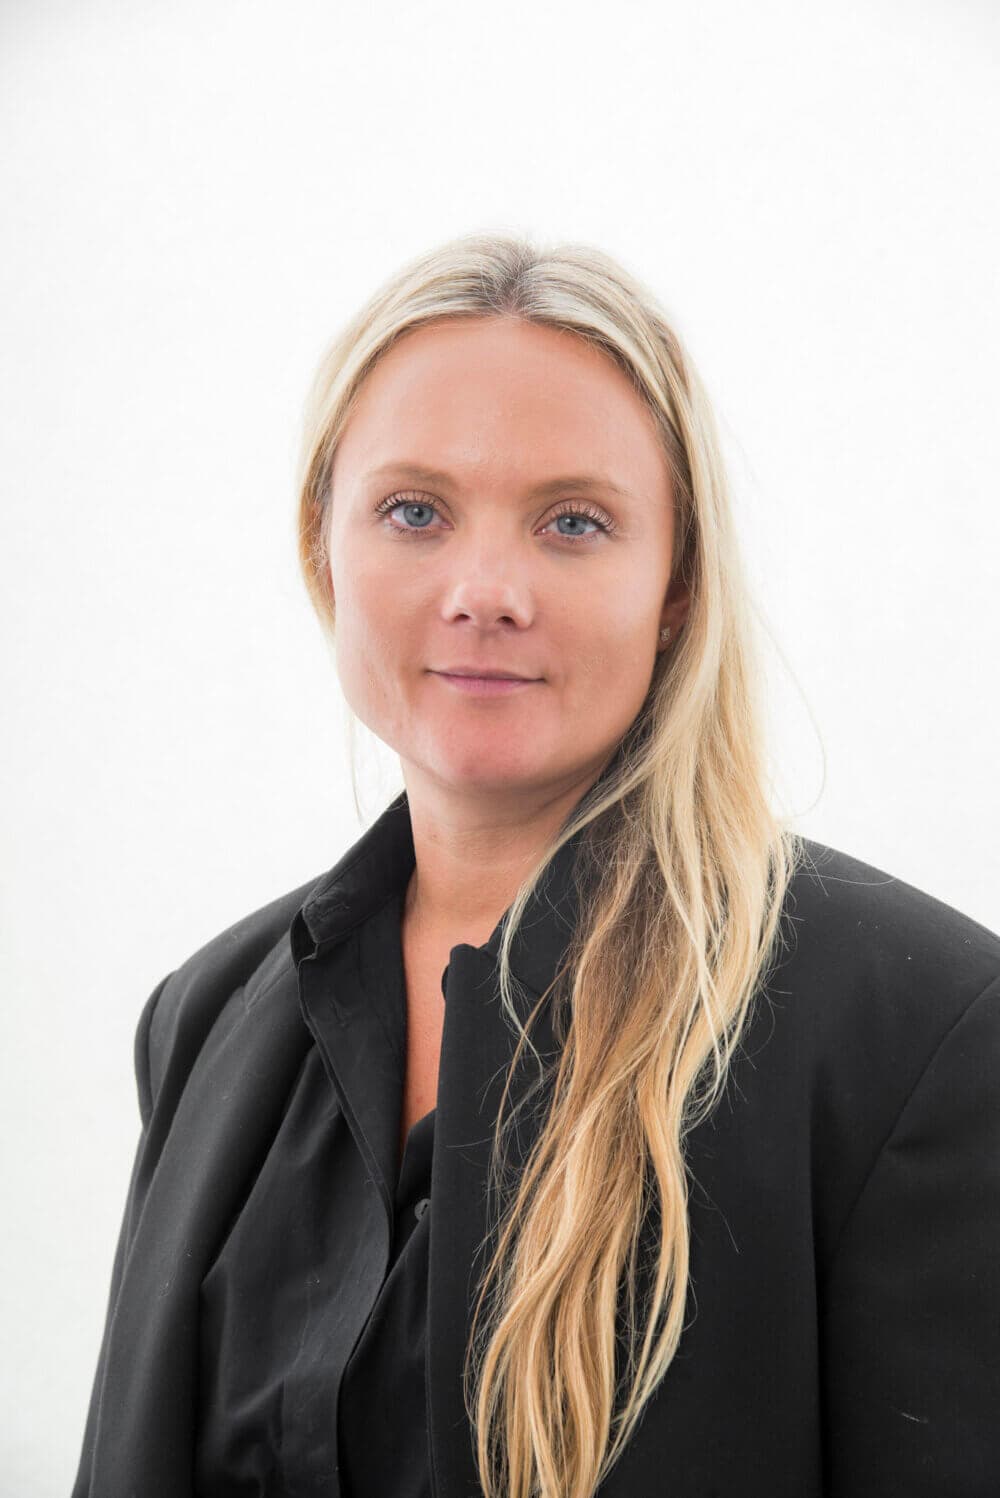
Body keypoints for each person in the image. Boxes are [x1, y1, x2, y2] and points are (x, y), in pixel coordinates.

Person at [71, 233, 1000, 1498]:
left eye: (573, 522)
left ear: (676, 586)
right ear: (322, 547)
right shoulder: (204, 1017)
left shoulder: (923, 1032)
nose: (486, 590)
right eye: (414, 511)